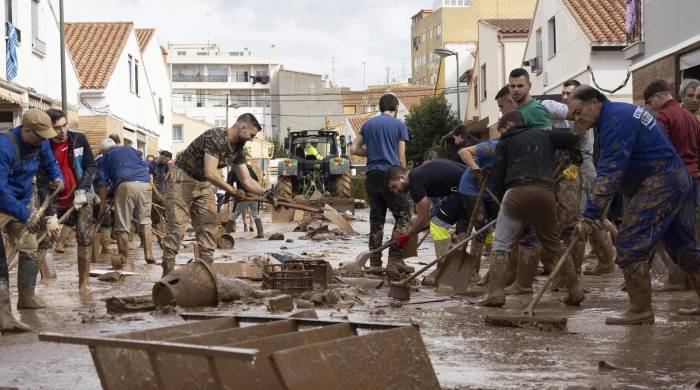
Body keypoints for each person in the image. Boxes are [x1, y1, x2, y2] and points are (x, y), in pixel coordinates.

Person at [568, 85, 700, 324]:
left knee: (629, 241)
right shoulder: (620, 113)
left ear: (594, 102)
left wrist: (590, 214)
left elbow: (610, 171)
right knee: (684, 246)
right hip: (675, 177)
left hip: (661, 180)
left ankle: (640, 310)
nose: (578, 119)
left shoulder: (615, 119)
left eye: (578, 112)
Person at [481, 110, 584, 307]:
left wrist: (503, 198)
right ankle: (575, 289)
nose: (502, 134)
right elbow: (573, 139)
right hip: (546, 192)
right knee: (554, 243)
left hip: (517, 191)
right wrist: (575, 162)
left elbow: (498, 177)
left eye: (503, 130)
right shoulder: (545, 135)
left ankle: (496, 293)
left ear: (510, 125)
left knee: (501, 244)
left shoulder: (506, 141)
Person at [161, 113, 274, 276]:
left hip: (203, 184)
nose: (251, 139)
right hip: (182, 179)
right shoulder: (216, 137)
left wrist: (267, 193)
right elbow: (210, 173)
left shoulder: (238, 149)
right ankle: (168, 275)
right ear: (242, 127)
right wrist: (233, 191)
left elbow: (247, 180)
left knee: (208, 229)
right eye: (251, 135)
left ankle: (205, 276)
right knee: (177, 229)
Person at [0, 109, 63, 330]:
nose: (43, 140)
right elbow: (0, 189)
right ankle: (3, 314)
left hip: (22, 198)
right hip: (2, 200)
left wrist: (58, 177)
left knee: (29, 248)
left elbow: (50, 162)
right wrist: (27, 214)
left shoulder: (41, 140)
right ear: (26, 130)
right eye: (39, 136)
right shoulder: (5, 146)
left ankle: (26, 297)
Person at [644, 79, 700, 292]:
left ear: (659, 96)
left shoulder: (663, 117)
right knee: (688, 231)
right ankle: (686, 282)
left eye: (651, 102)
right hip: (693, 177)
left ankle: (675, 281)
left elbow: (659, 152)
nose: (651, 106)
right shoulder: (691, 117)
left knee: (669, 231)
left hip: (673, 181)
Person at [349, 94, 412, 276]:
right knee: (404, 215)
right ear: (396, 108)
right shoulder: (399, 125)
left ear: (380, 107)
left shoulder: (368, 124)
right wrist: (405, 178)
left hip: (372, 176)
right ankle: (395, 259)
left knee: (376, 221)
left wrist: (371, 153)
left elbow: (353, 149)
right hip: (392, 176)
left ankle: (375, 262)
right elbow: (401, 157)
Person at [39, 109, 97, 290]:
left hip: (81, 196)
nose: (63, 130)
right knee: (43, 240)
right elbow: (41, 181)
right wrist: (48, 214)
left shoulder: (78, 139)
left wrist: (82, 189)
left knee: (84, 239)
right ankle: (47, 282)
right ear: (49, 129)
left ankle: (83, 285)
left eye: (65, 125)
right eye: (57, 128)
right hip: (53, 198)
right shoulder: (42, 146)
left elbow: (91, 166)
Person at [385, 159, 468, 280]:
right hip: (471, 184)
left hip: (464, 189)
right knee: (462, 229)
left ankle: (444, 268)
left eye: (394, 186)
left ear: (402, 177)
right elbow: (425, 215)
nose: (396, 191)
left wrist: (407, 235)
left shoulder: (415, 182)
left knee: (437, 225)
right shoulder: (419, 174)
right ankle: (470, 269)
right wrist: (415, 229)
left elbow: (423, 218)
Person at [98, 139, 154, 271]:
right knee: (145, 221)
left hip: (126, 185)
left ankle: (124, 259)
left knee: (122, 224)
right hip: (145, 183)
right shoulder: (130, 149)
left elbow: (103, 184)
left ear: (103, 151)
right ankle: (149, 254)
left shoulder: (104, 158)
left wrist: (102, 205)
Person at [225, 164, 264, 238]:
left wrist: (226, 199)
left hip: (244, 196)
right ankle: (261, 233)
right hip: (255, 195)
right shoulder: (249, 168)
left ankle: (226, 235)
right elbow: (256, 181)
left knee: (233, 215)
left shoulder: (233, 171)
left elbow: (228, 185)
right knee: (255, 214)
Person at [147, 150, 171, 237]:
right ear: (161, 156)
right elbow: (151, 182)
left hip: (164, 192)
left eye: (167, 161)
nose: (166, 162)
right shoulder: (150, 165)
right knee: (155, 217)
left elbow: (168, 178)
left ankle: (169, 236)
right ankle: (159, 238)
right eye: (165, 160)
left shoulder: (166, 165)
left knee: (169, 214)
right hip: (153, 193)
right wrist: (157, 194)